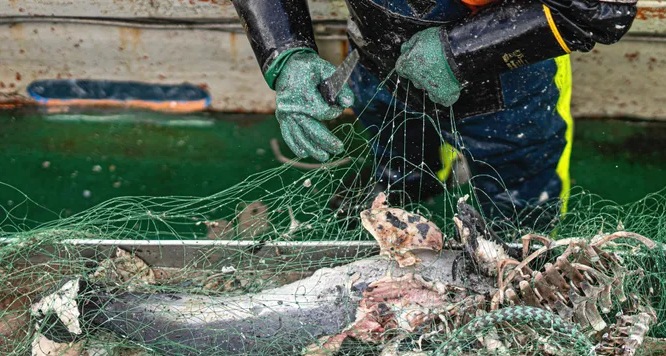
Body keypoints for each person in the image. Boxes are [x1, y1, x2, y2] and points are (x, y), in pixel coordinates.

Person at [231, 0, 637, 232]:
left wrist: (463, 49)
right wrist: (285, 51)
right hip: (377, 53)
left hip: (505, 78)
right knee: (396, 147)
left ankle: (521, 233)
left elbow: (603, 9)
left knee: (519, 195)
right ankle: (407, 184)